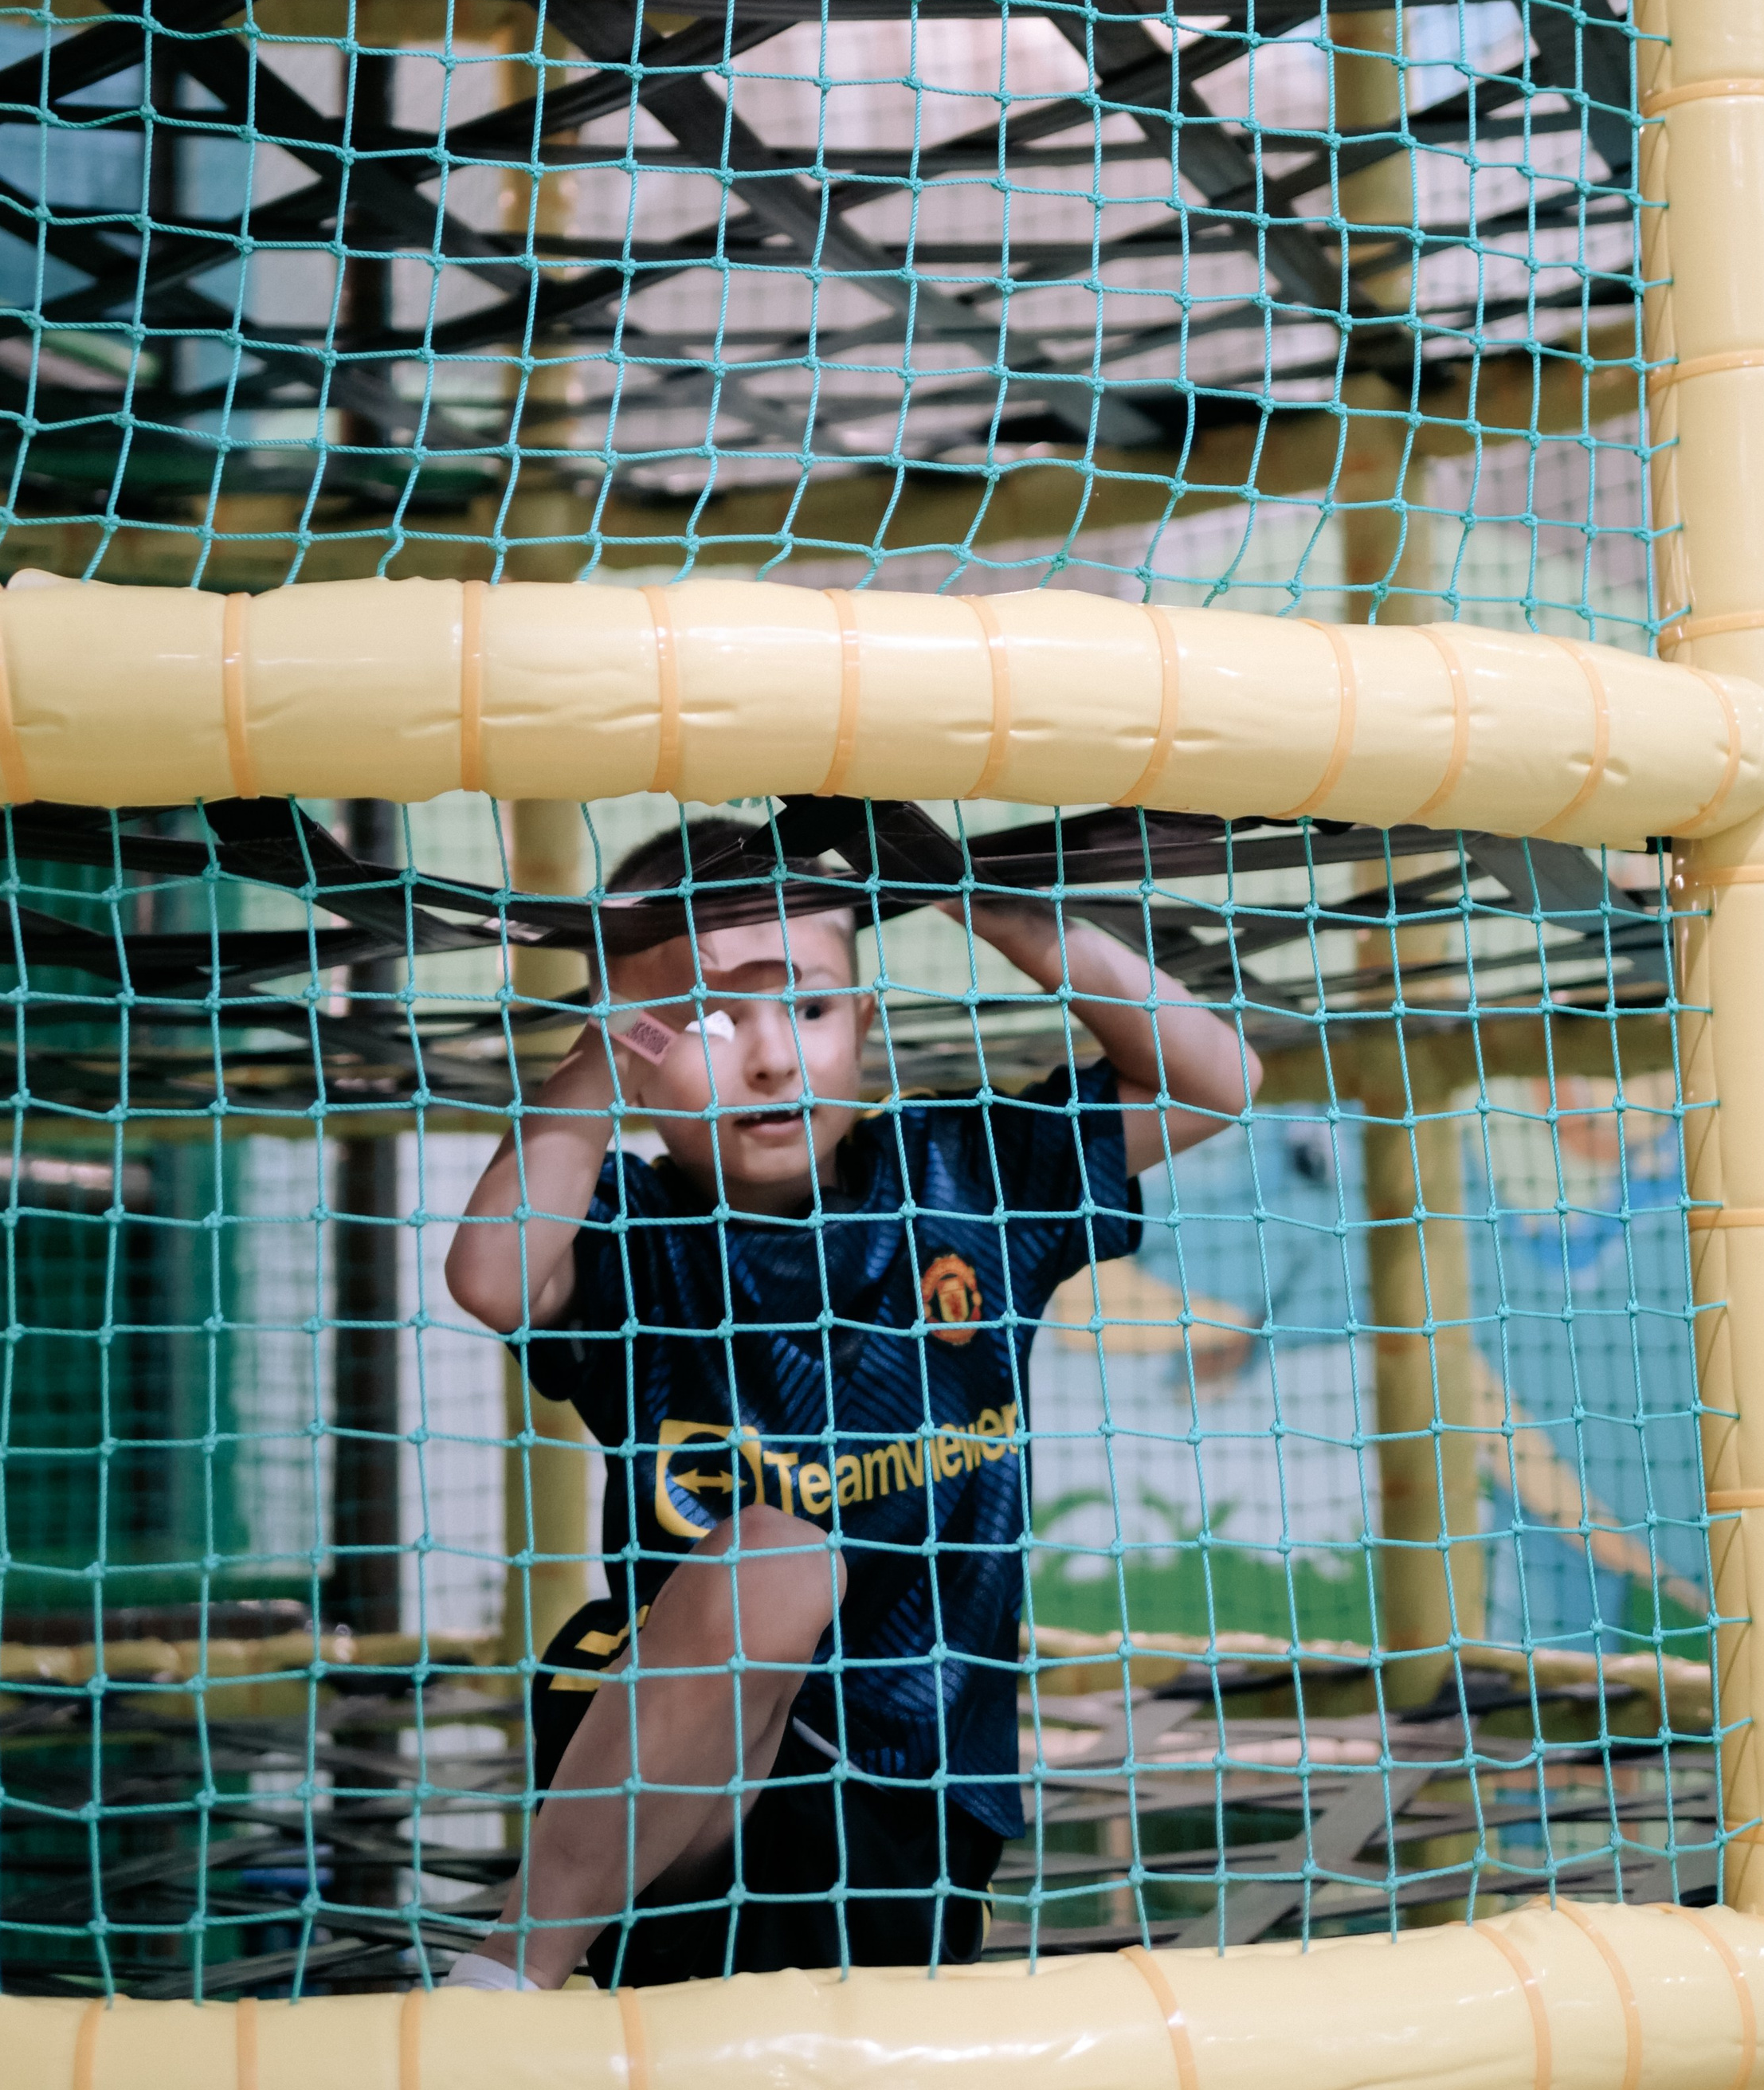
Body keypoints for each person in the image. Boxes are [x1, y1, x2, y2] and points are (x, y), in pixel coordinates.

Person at [441, 816, 1259, 1990]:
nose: (772, 1057)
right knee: (776, 1558)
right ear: (636, 1038)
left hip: (912, 1787)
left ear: (863, 1021)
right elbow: (491, 1278)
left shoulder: (963, 1176)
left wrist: (976, 898)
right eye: (715, 1018)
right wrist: (595, 1061)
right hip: (667, 1793)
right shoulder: (629, 1231)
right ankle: (511, 1973)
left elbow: (1218, 1077)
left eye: (810, 1007)